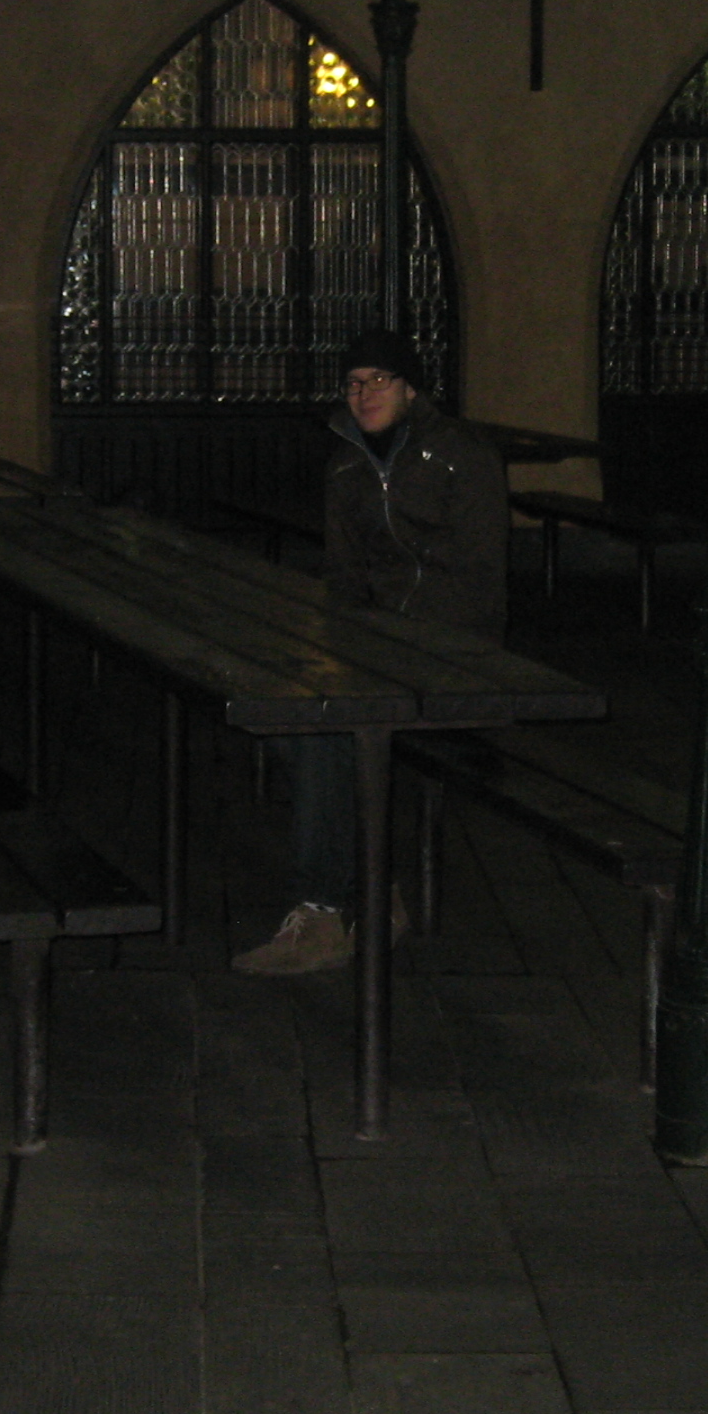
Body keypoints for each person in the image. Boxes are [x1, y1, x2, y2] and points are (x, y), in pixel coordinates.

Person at [233, 328, 508, 975]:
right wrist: (348, 647)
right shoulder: (346, 467)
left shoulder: (461, 456)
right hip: (376, 652)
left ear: (411, 389)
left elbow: (478, 579)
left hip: (453, 659)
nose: (365, 394)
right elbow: (343, 580)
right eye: (354, 384)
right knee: (292, 714)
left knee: (329, 733)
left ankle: (324, 910)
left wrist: (405, 648)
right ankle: (373, 892)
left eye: (380, 380)